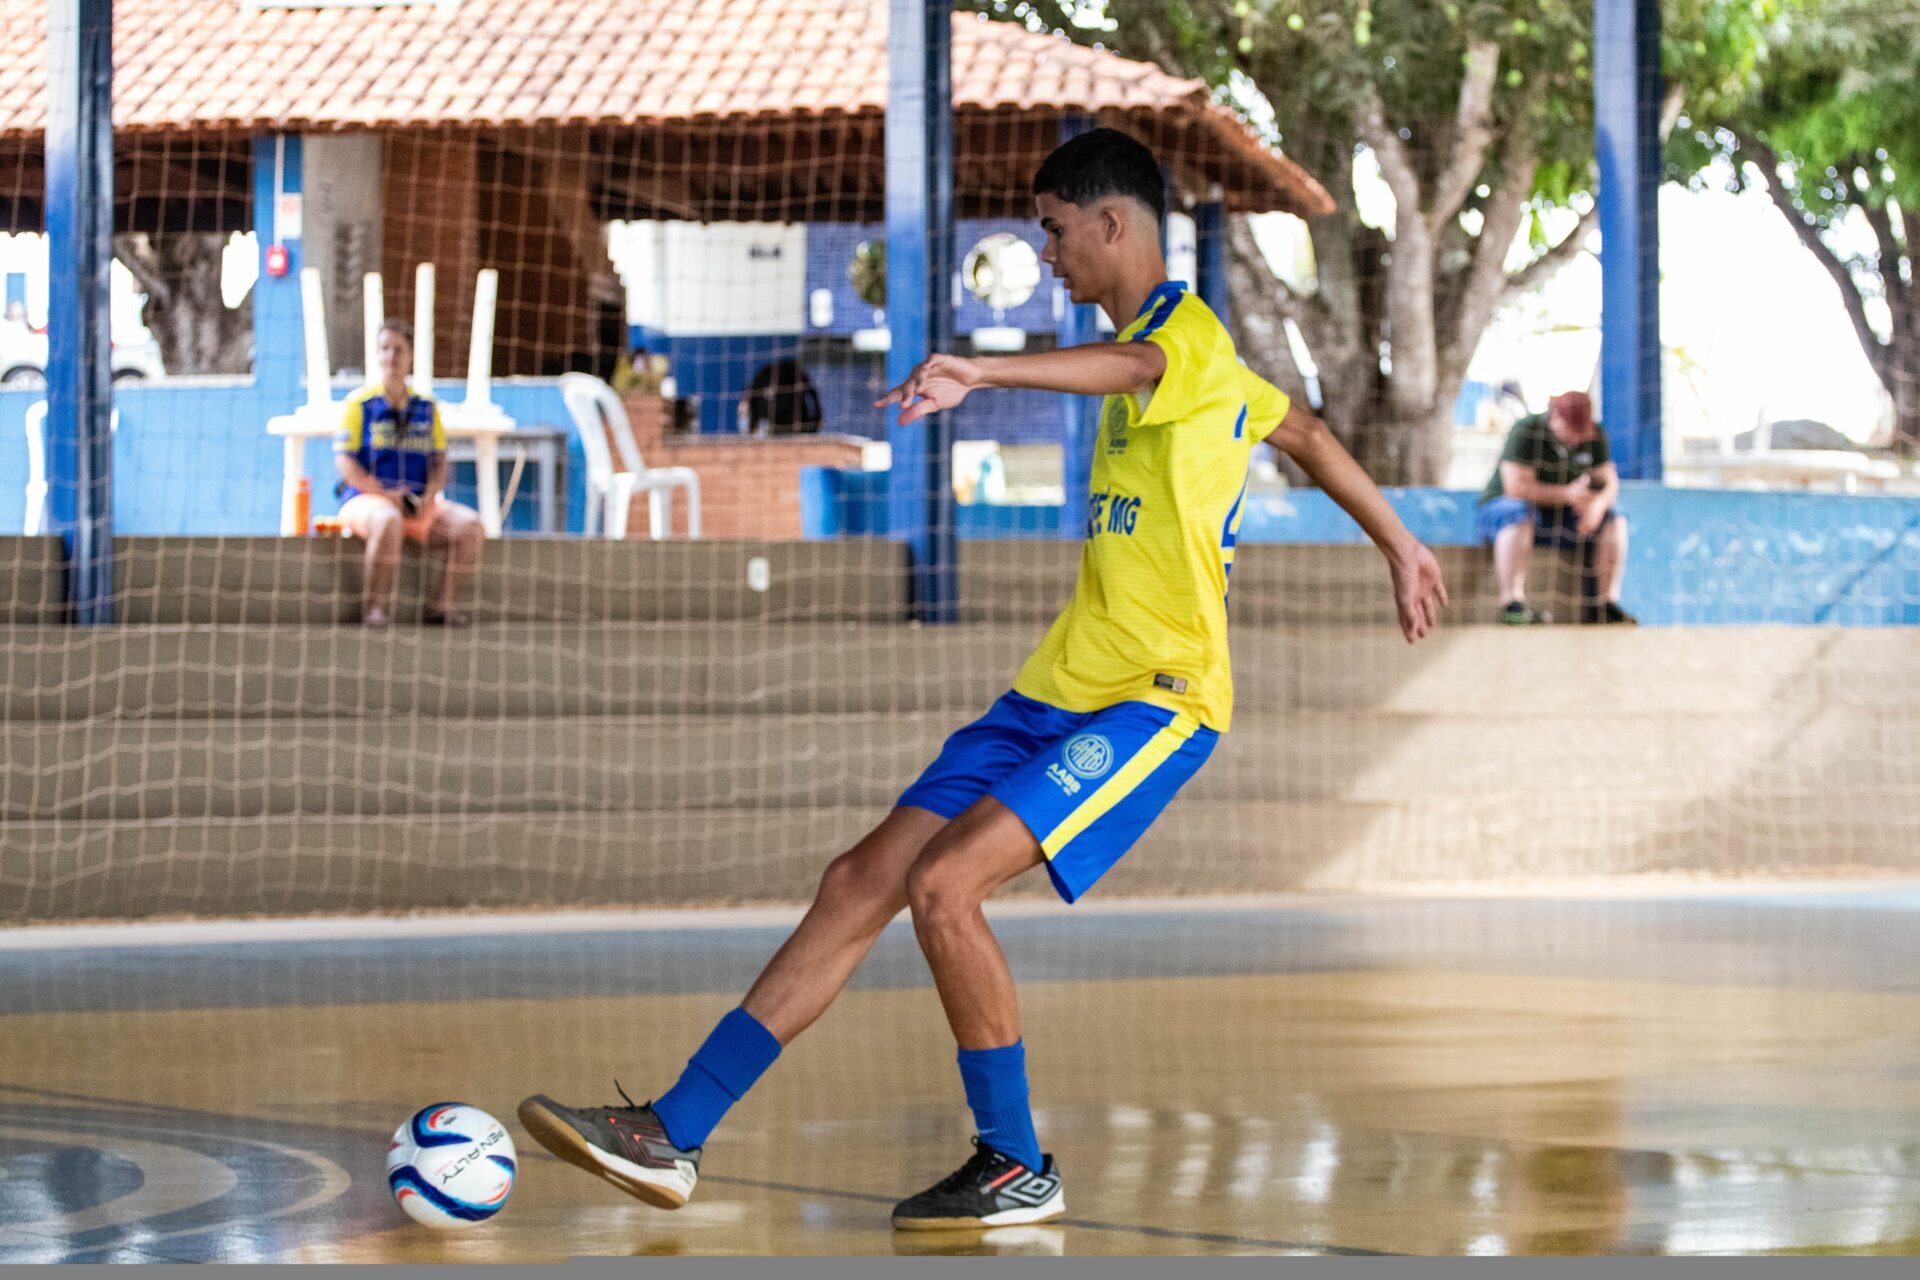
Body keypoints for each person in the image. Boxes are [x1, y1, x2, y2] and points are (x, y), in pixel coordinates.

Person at [517, 128, 1449, 1231]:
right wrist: (1401, 542)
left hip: (1157, 695)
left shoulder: (1184, 338)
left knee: (945, 886)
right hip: (1054, 690)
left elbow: (1133, 369)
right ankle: (673, 1130)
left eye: (1055, 230)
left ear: (1113, 223)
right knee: (860, 877)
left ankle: (1014, 1162)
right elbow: (1302, 430)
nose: (1046, 253)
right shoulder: (1216, 378)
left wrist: (982, 367)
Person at [333, 320, 485, 629]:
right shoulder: (359, 404)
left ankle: (439, 608)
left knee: (470, 527)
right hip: (367, 500)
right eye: (385, 349)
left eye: (398, 349)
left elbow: (441, 461)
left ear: (410, 355)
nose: (391, 357)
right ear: (376, 355)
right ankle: (376, 610)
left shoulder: (426, 407)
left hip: (416, 503)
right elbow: (345, 463)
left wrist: (429, 495)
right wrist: (381, 492)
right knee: (387, 520)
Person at [1474, 390, 1634, 625]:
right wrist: (1568, 494)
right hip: (1505, 510)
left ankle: (1605, 605)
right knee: (1517, 512)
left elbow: (1609, 481)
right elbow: (1515, 487)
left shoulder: (1595, 435)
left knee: (1615, 518)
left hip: (1561, 515)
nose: (1576, 440)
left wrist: (1597, 506)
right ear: (1554, 418)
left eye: (1581, 434)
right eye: (1571, 432)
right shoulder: (1527, 429)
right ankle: (1512, 604)